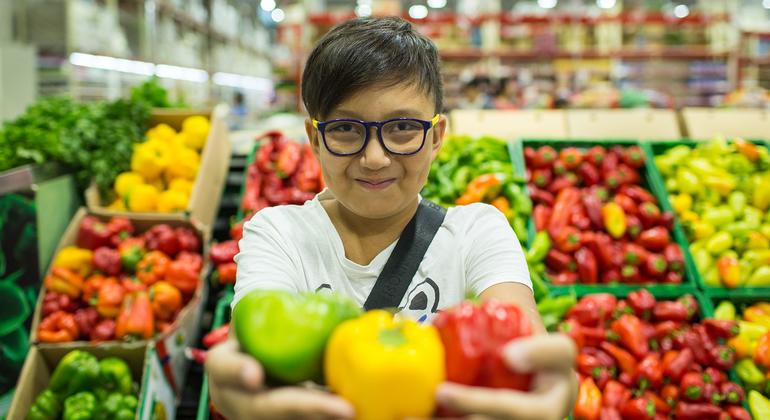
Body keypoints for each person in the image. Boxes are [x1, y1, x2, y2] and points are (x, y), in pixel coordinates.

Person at [205, 16, 576, 419]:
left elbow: (524, 338)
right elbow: (246, 358)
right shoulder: (278, 233)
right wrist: (230, 389)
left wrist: (557, 385)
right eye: (346, 128)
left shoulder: (476, 231)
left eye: (402, 127)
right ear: (315, 139)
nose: (375, 158)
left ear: (436, 137)